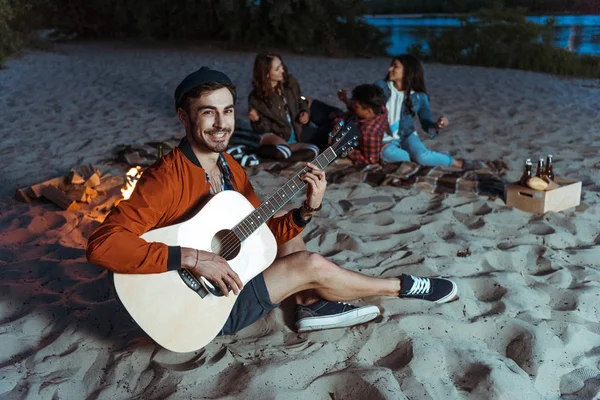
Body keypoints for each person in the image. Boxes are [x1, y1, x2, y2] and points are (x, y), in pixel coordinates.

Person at [86, 67, 459, 340]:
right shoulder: (166, 178)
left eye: (228, 111)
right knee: (308, 262)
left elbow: (259, 232)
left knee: (285, 226)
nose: (221, 124)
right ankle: (401, 286)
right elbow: (101, 245)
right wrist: (190, 257)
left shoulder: (230, 168)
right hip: (203, 310)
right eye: (208, 112)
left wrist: (306, 210)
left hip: (228, 279)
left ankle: (312, 304)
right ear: (184, 117)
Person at [339, 54, 463, 168]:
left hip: (407, 136)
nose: (390, 69)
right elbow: (365, 108)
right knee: (394, 156)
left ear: (408, 71)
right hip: (384, 138)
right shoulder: (380, 86)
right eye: (391, 65)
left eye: (395, 67)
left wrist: (438, 125)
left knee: (422, 157)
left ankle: (456, 162)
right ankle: (431, 158)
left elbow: (427, 124)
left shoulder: (419, 97)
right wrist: (346, 101)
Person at [247, 52, 340, 163]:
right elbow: (263, 130)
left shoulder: (289, 83)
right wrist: (257, 121)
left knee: (316, 147)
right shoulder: (256, 98)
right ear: (266, 74)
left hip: (299, 132)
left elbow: (300, 101)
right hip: (279, 138)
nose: (282, 70)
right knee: (284, 151)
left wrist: (305, 112)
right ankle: (274, 155)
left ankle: (284, 157)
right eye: (277, 69)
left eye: (281, 65)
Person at [330, 84, 389, 166]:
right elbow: (359, 107)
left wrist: (348, 150)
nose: (353, 106)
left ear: (368, 112)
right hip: (342, 120)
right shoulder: (379, 108)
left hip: (344, 137)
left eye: (356, 106)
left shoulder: (369, 133)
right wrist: (346, 100)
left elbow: (370, 162)